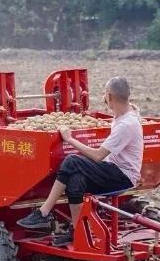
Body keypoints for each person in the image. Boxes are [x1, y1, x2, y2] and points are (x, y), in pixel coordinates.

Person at [17, 76, 143, 231]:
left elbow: (98, 156)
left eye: (105, 94)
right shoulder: (127, 113)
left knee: (72, 162)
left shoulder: (126, 124)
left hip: (122, 176)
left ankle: (43, 212)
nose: (103, 98)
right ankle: (79, 232)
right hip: (115, 169)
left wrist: (69, 139)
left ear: (109, 96)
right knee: (76, 180)